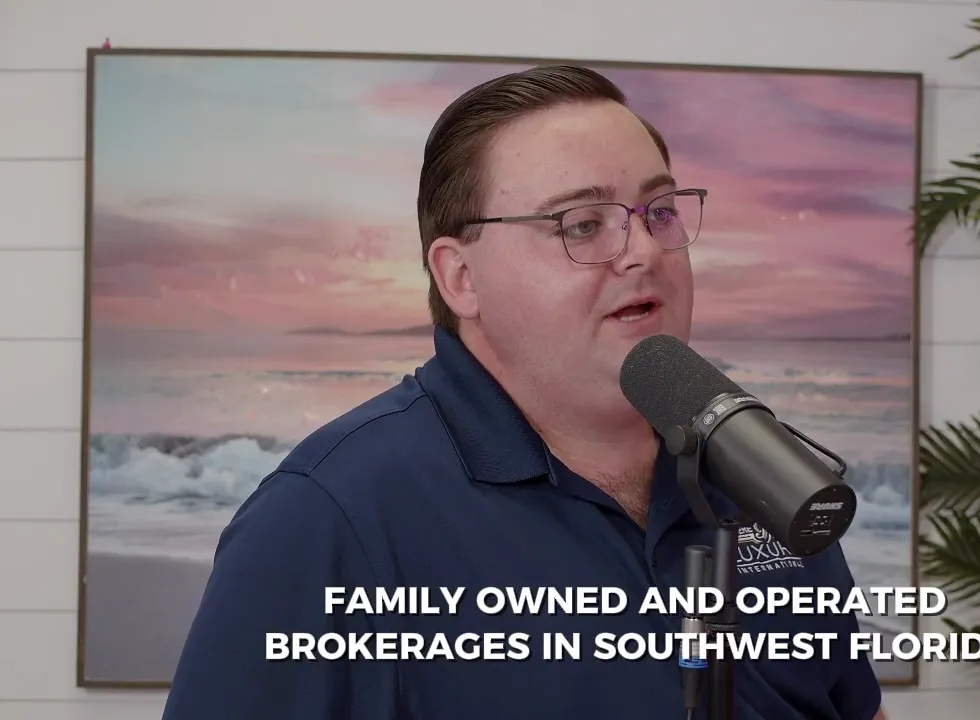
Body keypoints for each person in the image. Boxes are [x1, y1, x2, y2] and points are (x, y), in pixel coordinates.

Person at [161, 64, 886, 720]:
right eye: (581, 224)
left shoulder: (759, 469)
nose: (643, 251)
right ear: (461, 278)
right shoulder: (328, 516)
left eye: (659, 212)